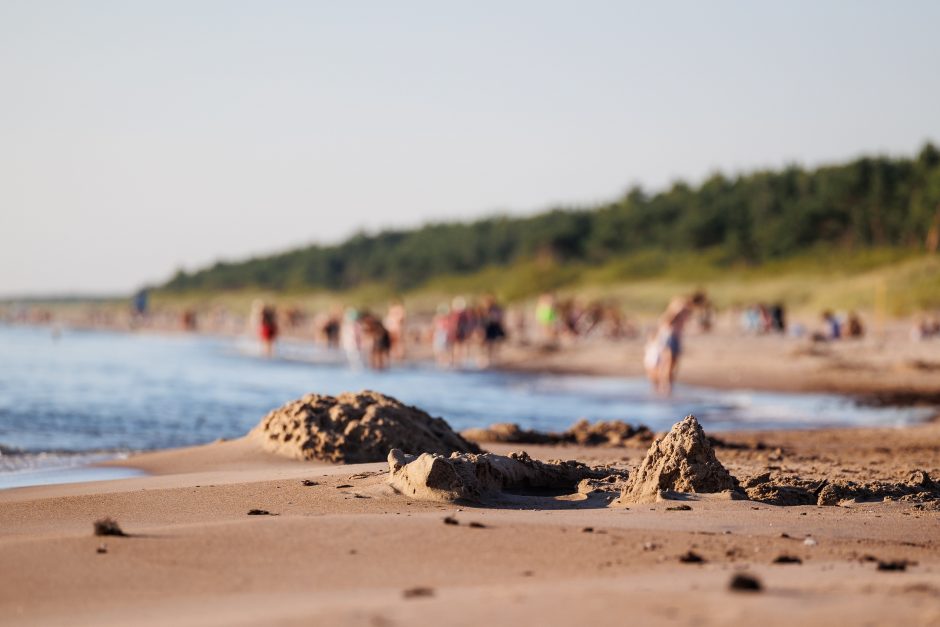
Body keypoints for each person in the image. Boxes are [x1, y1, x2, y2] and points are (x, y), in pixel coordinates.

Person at [644, 293, 705, 395]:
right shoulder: (681, 306)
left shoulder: (683, 306)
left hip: (674, 336)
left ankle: (665, 386)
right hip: (670, 336)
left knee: (672, 363)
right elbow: (666, 319)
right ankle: (665, 387)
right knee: (668, 362)